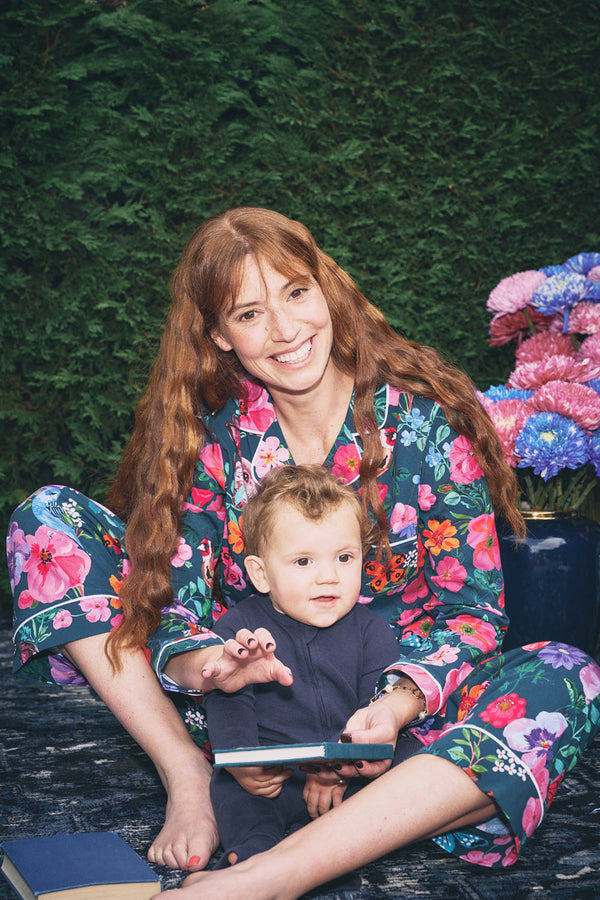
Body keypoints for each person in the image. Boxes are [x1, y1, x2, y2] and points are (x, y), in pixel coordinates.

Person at [6, 207, 600, 896]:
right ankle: (190, 775)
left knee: (567, 676)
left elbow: (472, 614)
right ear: (219, 336)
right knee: (45, 519)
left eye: (295, 293)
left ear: (325, 288)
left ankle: (275, 872)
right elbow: (173, 605)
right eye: (250, 314)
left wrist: (395, 707)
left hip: (394, 724)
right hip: (245, 726)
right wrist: (216, 670)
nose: (286, 330)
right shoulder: (215, 444)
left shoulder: (425, 426)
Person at [204, 464, 402, 868]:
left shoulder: (371, 631)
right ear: (261, 574)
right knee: (232, 792)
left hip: (347, 776)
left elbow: (375, 710)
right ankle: (256, 850)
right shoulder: (241, 630)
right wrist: (243, 761)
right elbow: (228, 702)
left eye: (344, 557)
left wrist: (339, 770)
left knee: (406, 766)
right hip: (273, 777)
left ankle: (338, 852)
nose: (328, 577)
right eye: (303, 562)